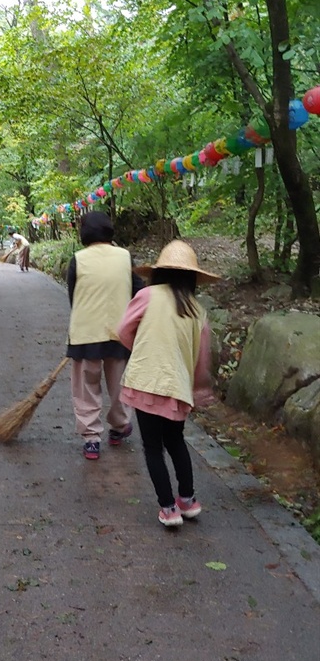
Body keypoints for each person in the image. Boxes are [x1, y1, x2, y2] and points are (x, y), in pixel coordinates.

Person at [117, 240, 217, 528]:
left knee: (151, 447)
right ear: (191, 278)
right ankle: (187, 499)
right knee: (175, 441)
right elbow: (201, 357)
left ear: (158, 273)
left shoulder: (147, 296)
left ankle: (168, 508)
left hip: (146, 382)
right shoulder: (197, 310)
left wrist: (141, 348)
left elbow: (124, 330)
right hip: (176, 388)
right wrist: (197, 387)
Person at [66, 211, 141, 460]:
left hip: (85, 332)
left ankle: (91, 439)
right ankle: (120, 426)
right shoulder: (125, 257)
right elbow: (138, 290)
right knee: (119, 383)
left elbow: (73, 297)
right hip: (119, 330)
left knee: (86, 386)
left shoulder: (78, 259)